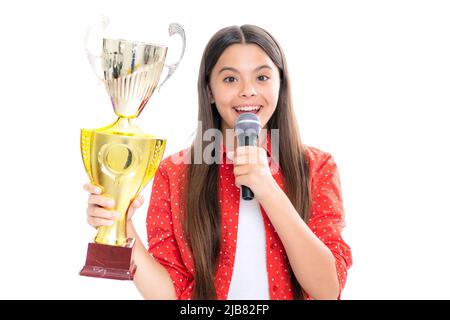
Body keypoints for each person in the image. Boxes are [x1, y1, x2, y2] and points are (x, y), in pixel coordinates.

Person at [84, 24, 352, 300]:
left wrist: (268, 188)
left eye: (262, 77)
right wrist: (121, 224)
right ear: (209, 91)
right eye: (230, 79)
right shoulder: (175, 173)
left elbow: (327, 289)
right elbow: (169, 294)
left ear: (280, 84)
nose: (248, 91)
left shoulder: (317, 167)